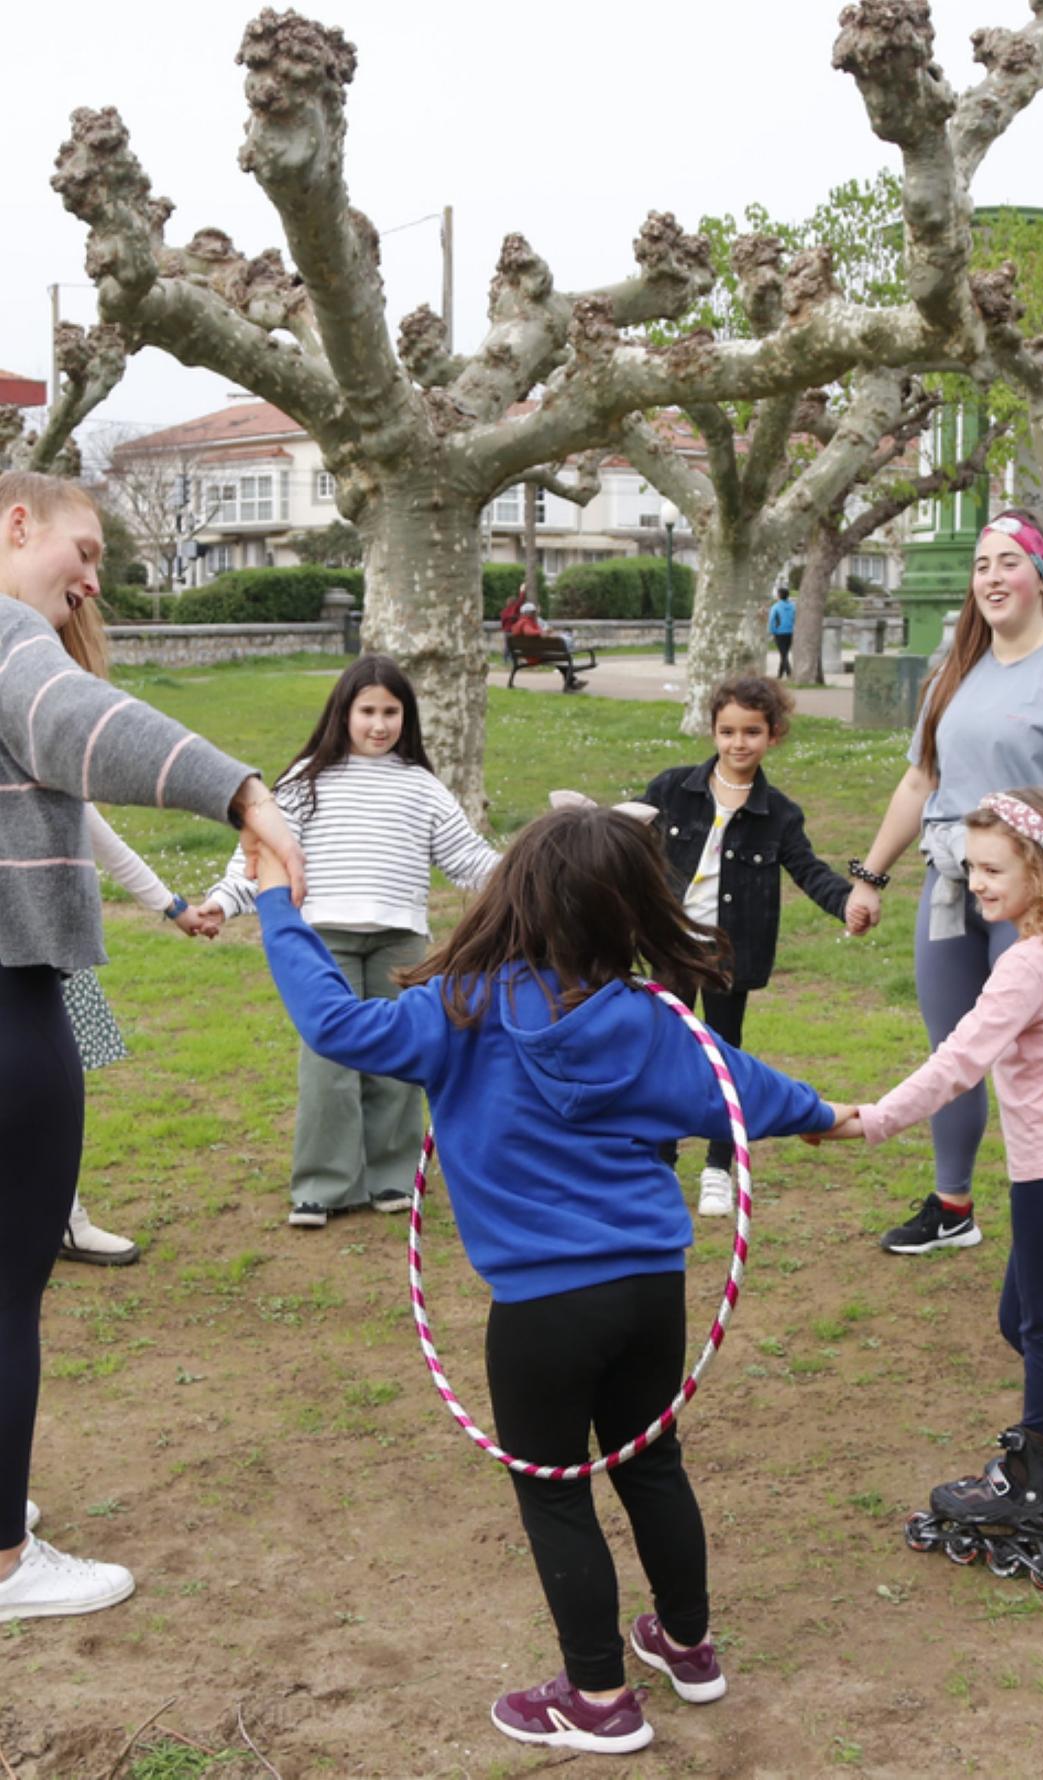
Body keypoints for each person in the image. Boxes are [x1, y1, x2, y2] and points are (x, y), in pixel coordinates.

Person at [251, 801, 847, 1754]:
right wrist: (824, 1113)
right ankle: (688, 1648)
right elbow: (742, 1087)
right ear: (631, 913)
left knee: (557, 1488)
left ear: (513, 897)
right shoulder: (652, 1023)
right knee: (651, 1462)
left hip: (540, 1308)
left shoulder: (459, 1008)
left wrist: (277, 902)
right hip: (651, 1288)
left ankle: (599, 1701)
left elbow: (334, 1023)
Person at [0, 468, 302, 1623]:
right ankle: (7, 1565)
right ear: (16, 523)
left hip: (35, 984)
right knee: (6, 1290)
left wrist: (170, 896)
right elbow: (78, 720)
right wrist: (241, 793)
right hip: (15, 995)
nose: (90, 576)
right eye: (81, 547)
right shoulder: (11, 637)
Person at [832, 788, 1043, 1572]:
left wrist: (874, 1119)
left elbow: (959, 1060)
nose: (974, 881)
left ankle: (1035, 1490)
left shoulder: (1026, 965)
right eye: (969, 866)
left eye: (990, 868)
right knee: (1023, 1323)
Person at [845, 510, 1043, 1264]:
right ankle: (952, 1206)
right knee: (954, 1048)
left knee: (1039, 1065)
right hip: (949, 887)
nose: (992, 578)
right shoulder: (953, 672)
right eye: (981, 565)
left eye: (1009, 562)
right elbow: (920, 780)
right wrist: (870, 876)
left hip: (1036, 900)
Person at [196, 654, 497, 1228]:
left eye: (392, 712)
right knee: (328, 1061)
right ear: (344, 713)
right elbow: (256, 856)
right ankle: (323, 1184)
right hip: (323, 939)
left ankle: (393, 1177)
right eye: (368, 711)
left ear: (406, 718)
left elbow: (470, 861)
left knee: (399, 1060)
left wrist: (535, 873)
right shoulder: (303, 780)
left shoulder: (423, 787)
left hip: (400, 940)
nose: (379, 725)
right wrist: (223, 900)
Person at [639, 676, 850, 1215]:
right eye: (727, 731)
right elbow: (624, 838)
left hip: (730, 957)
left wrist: (848, 902)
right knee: (662, 1052)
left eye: (752, 732)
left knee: (721, 1057)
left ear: (772, 735)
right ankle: (660, 1159)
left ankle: (717, 1165)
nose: (738, 743)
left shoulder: (778, 813)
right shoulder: (670, 790)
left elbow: (808, 870)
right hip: (671, 946)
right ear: (712, 731)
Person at [58, 599, 213, 1266]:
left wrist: (172, 904)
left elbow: (98, 833)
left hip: (50, 946)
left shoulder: (44, 732)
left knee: (57, 1086)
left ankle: (61, 1215)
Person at [767, 583, 796, 679]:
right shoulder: (793, 606)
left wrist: (772, 631)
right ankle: (780, 675)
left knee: (783, 654)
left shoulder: (776, 606)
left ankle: (789, 674)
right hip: (790, 632)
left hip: (779, 632)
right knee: (784, 653)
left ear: (779, 595)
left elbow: (772, 620)